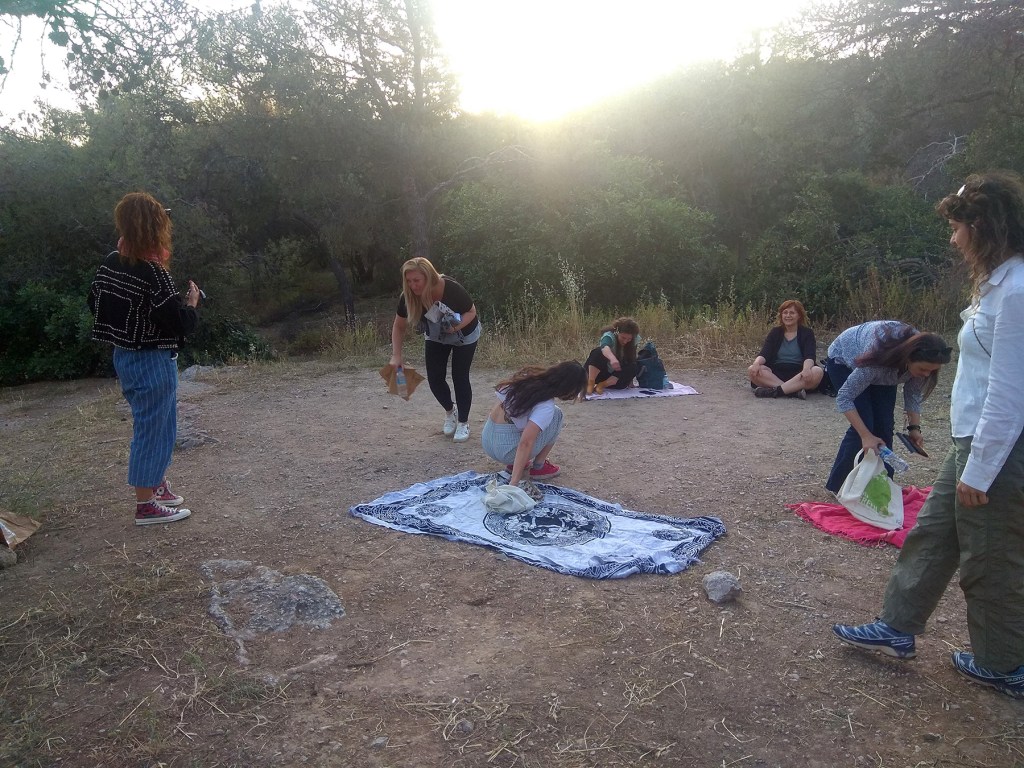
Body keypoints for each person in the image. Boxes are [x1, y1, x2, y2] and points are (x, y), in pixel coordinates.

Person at [832, 171, 1024, 699]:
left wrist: (981, 469)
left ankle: (1006, 664)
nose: (953, 239)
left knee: (989, 556)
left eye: (958, 227)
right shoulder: (999, 286)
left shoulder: (1017, 292)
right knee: (934, 535)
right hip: (971, 441)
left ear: (982, 226)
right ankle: (897, 626)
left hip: (997, 449)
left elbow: (1010, 392)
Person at [88, 192, 202, 526]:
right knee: (152, 429)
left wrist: (128, 326)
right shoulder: (153, 272)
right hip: (151, 360)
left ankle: (155, 486)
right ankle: (146, 506)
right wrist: (192, 303)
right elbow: (179, 323)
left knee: (162, 425)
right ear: (155, 227)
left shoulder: (112, 262)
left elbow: (95, 302)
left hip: (125, 356)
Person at [823, 320, 950, 494]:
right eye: (923, 369)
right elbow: (845, 398)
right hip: (845, 361)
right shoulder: (874, 362)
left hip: (889, 367)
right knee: (865, 424)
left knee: (885, 425)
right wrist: (866, 436)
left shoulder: (924, 358)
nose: (926, 374)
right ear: (908, 358)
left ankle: (882, 485)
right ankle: (838, 486)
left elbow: (913, 394)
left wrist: (914, 428)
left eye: (932, 371)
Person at [389, 257, 481, 443]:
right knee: (435, 378)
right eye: (409, 281)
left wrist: (455, 327)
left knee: (460, 376)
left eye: (417, 280)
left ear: (428, 276)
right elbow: (398, 326)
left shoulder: (451, 288)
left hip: (465, 334)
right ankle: (451, 411)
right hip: (437, 334)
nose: (412, 285)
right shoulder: (408, 297)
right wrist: (396, 355)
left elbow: (471, 312)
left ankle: (463, 422)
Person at [482, 362, 587, 492]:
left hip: (487, 441)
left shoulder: (527, 378)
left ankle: (516, 463)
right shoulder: (546, 406)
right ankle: (538, 466)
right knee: (557, 414)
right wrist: (513, 484)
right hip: (506, 452)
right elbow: (526, 442)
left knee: (522, 420)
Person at [748, 299, 824, 399]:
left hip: (799, 373)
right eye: (785, 312)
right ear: (781, 315)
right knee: (752, 369)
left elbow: (810, 356)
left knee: (817, 371)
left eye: (792, 313)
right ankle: (793, 391)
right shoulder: (775, 332)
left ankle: (776, 391)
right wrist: (756, 363)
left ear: (799, 316)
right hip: (776, 373)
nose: (788, 315)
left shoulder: (807, 333)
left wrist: (806, 369)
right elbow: (764, 353)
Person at [584, 317, 640, 396]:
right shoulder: (609, 336)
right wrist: (612, 358)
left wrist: (630, 381)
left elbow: (632, 357)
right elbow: (604, 348)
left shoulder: (635, 339)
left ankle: (602, 385)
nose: (625, 341)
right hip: (600, 373)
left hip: (614, 378)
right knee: (597, 352)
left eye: (629, 339)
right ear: (617, 332)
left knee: (633, 365)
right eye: (623, 337)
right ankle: (590, 383)